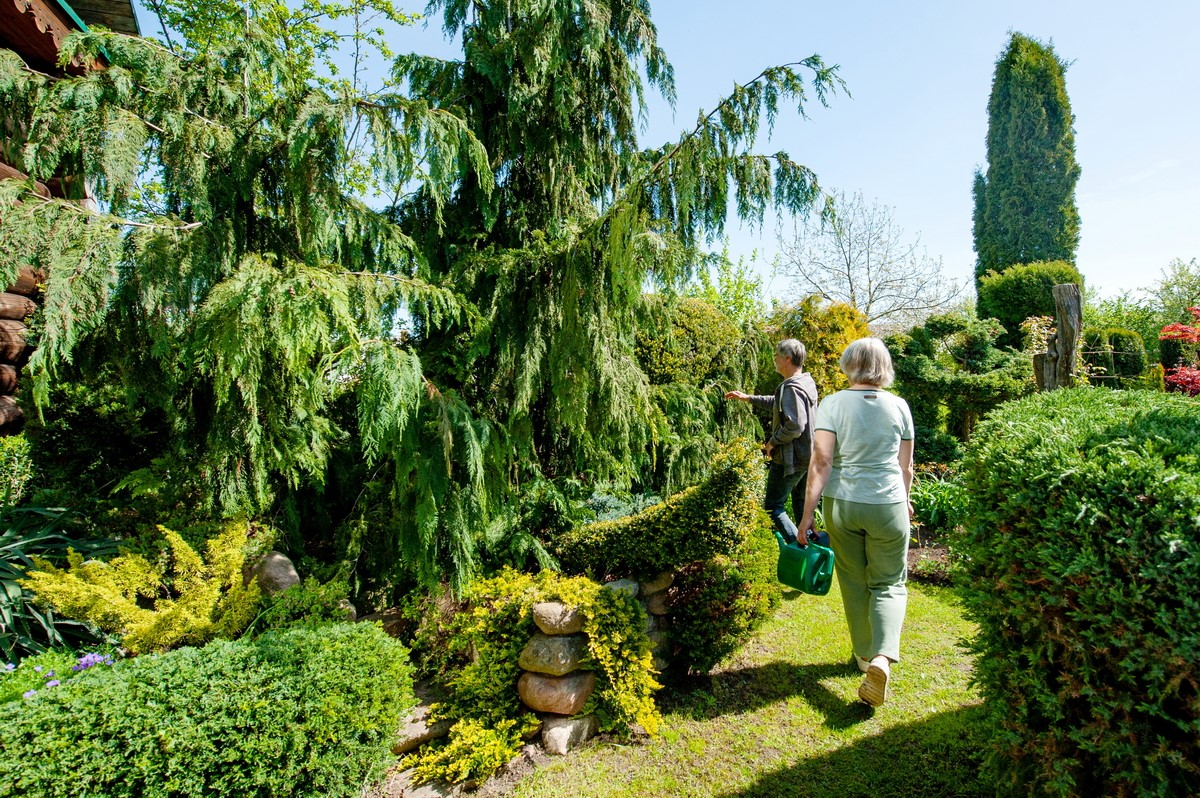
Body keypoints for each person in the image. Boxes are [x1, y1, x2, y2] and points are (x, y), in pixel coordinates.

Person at [798, 337, 914, 708]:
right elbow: (905, 466)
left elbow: (821, 462)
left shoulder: (832, 404)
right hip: (888, 503)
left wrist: (805, 516)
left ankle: (865, 658)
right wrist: (906, 499)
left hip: (843, 504)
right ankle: (883, 657)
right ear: (884, 366)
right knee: (889, 582)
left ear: (849, 364)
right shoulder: (899, 406)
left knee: (852, 579)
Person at [725, 339, 819, 545]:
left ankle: (800, 550)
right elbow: (778, 404)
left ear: (787, 358)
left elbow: (795, 425)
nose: (774, 359)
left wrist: (772, 442)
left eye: (777, 355)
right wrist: (748, 398)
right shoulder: (804, 382)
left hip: (791, 459)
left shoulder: (792, 388)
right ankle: (815, 549)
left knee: (773, 506)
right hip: (808, 456)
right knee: (802, 509)